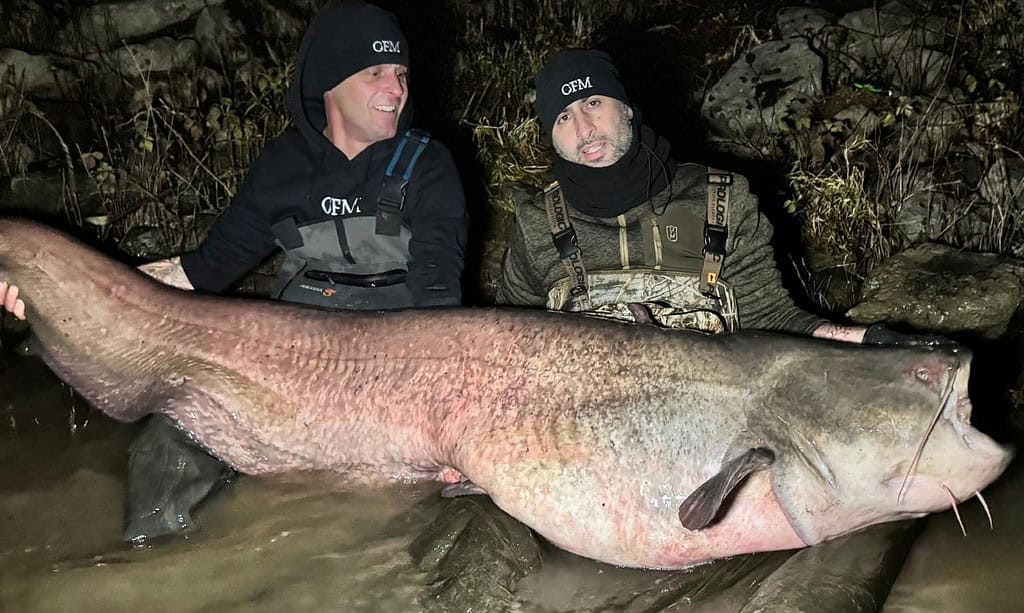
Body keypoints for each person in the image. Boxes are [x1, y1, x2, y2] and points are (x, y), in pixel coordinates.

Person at [1, 1, 468, 545]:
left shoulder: (428, 167)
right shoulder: (282, 168)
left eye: (401, 73)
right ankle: (151, 569)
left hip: (397, 366)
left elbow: (442, 297)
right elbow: (205, 271)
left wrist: (450, 423)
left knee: (404, 511)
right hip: (278, 364)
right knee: (166, 449)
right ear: (330, 84)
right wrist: (47, 297)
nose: (396, 88)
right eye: (375, 73)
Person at [497, 48, 944, 346]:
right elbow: (505, 340)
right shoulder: (537, 222)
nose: (584, 129)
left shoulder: (721, 201)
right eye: (562, 117)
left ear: (626, 107)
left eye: (593, 103)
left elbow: (773, 321)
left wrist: (867, 341)